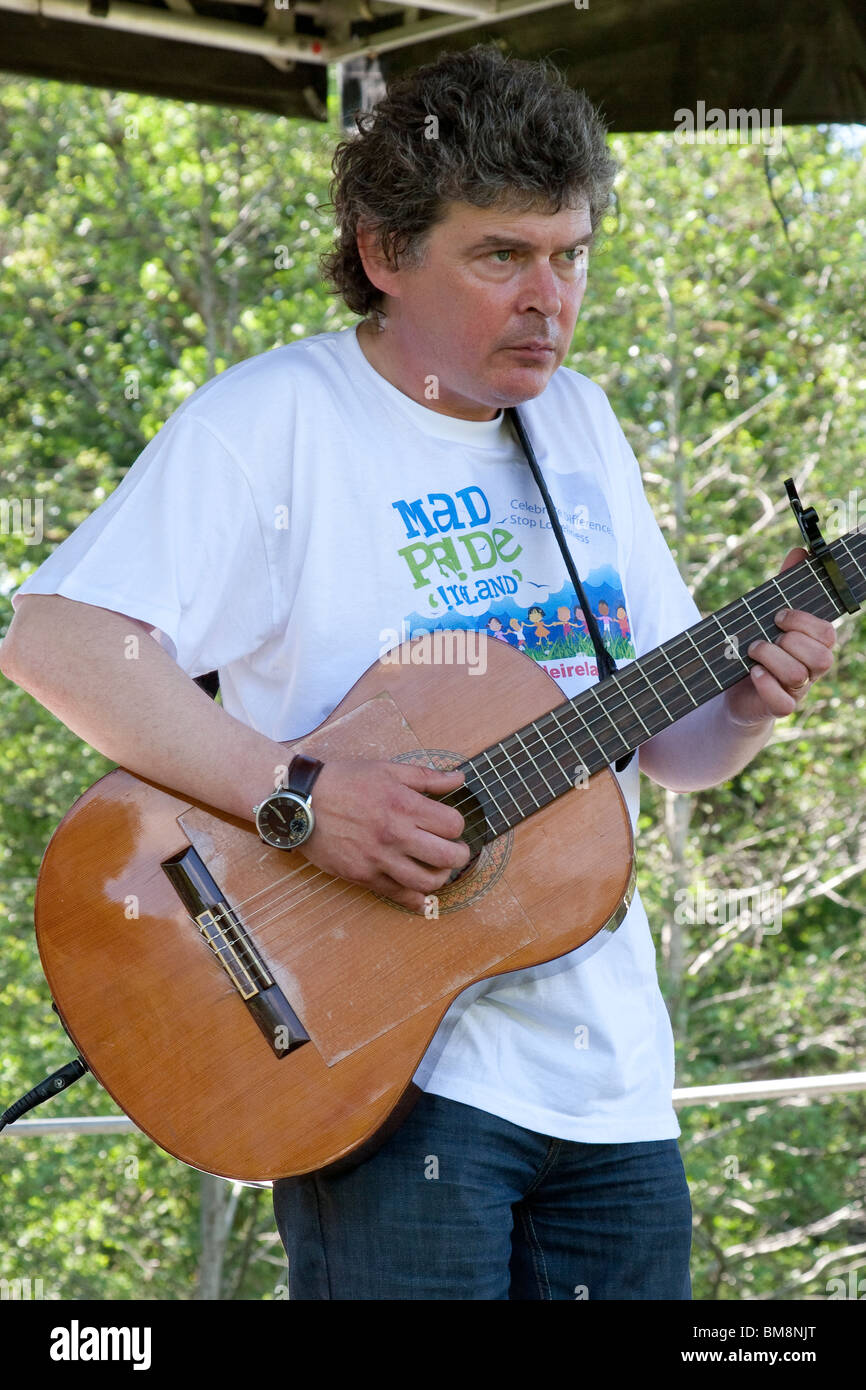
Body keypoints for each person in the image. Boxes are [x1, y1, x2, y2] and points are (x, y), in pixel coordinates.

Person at [0, 44, 836, 1300]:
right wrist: (297, 794)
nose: (547, 297)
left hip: (611, 1093)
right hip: (380, 1067)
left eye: (570, 254)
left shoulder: (582, 427)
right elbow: (57, 641)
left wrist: (750, 700)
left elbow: (666, 754)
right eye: (500, 256)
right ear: (385, 253)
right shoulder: (274, 423)